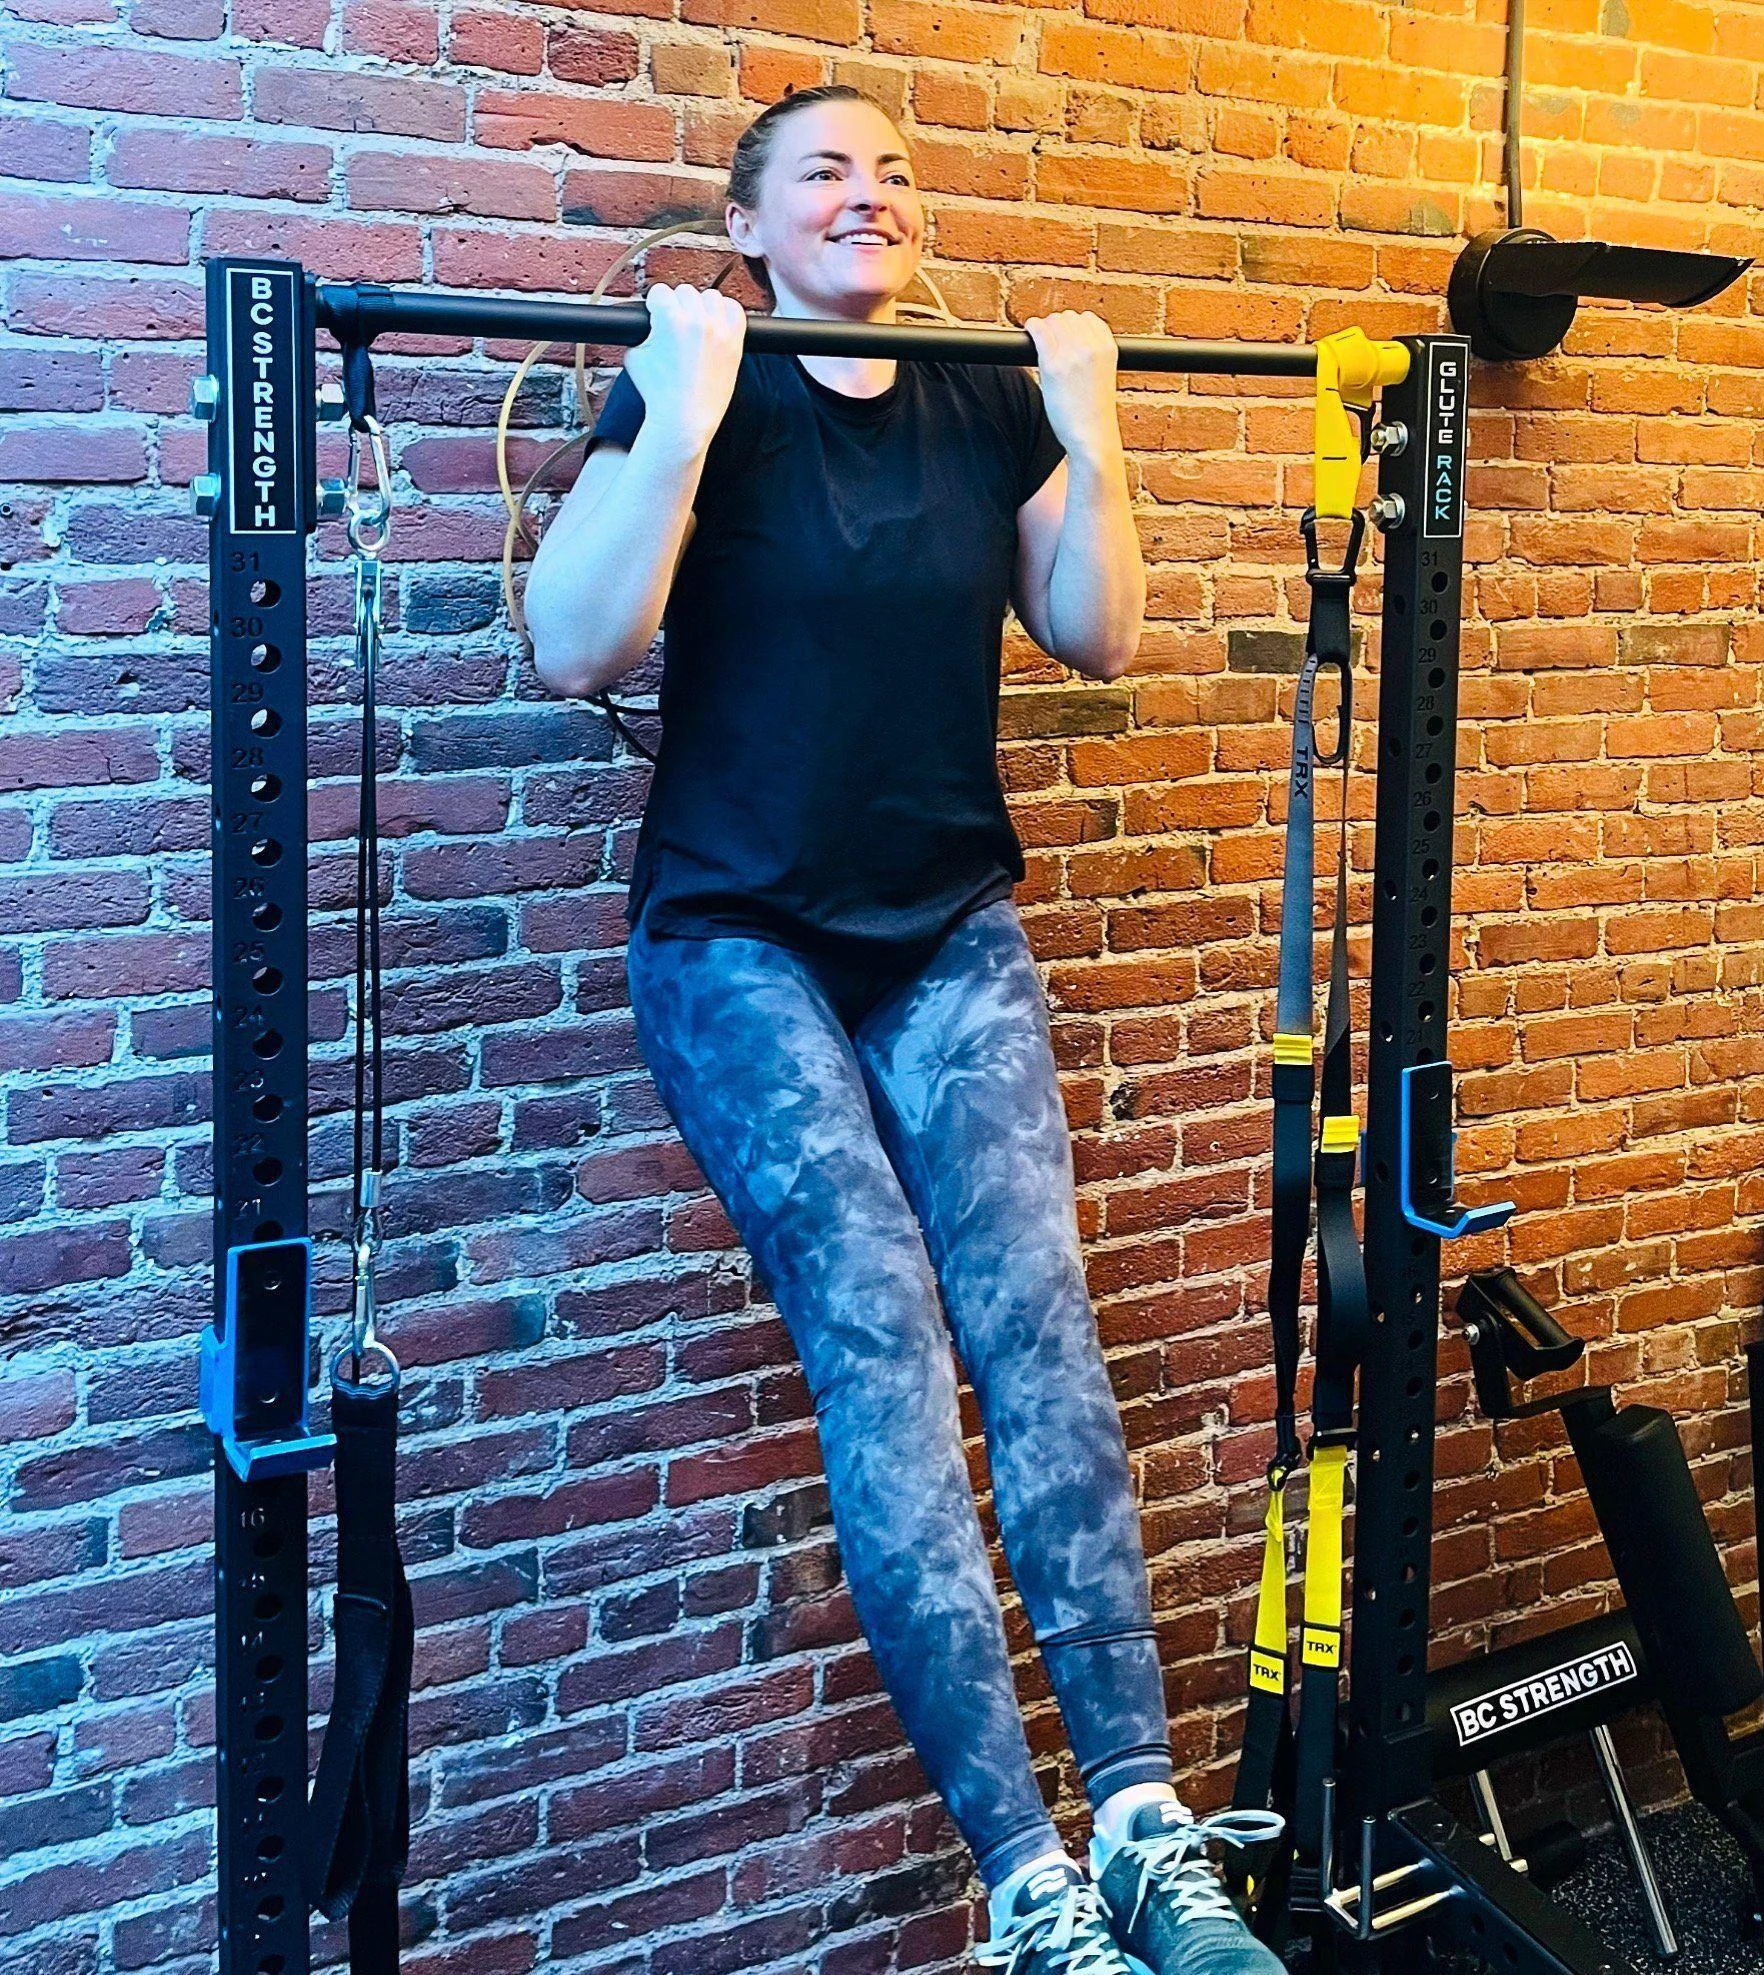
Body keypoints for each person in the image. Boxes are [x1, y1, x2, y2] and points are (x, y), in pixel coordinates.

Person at [525, 83, 1286, 1975]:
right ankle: (1028, 1883)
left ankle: (1139, 1823)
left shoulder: (973, 389)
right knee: (880, 1332)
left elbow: (1096, 631)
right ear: (751, 222)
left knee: (1039, 1336)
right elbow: (571, 643)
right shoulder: (699, 382)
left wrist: (1092, 430)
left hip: (945, 928)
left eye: (891, 174)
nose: (867, 198)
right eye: (822, 176)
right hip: (736, 937)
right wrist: (683, 409)